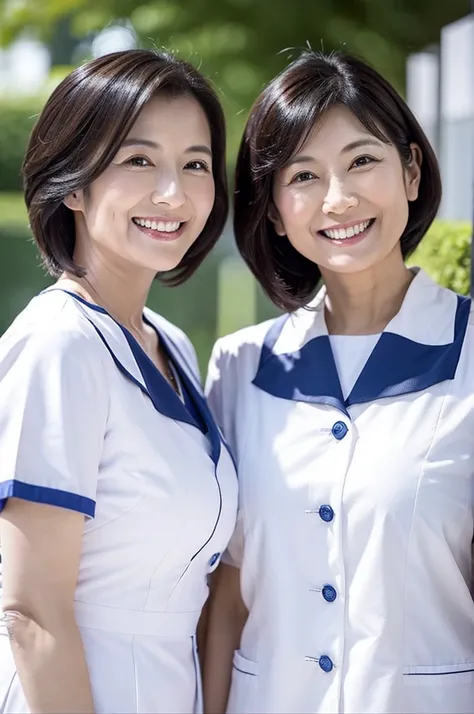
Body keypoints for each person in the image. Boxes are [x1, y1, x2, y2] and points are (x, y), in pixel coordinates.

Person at [203, 50, 474, 714]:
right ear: (272, 210)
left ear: (410, 171)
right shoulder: (240, 369)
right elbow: (228, 596)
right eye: (303, 175)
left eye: (362, 161)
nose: (338, 199)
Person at [0, 48, 237, 714]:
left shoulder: (175, 347)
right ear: (72, 184)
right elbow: (31, 612)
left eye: (195, 163)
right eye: (139, 160)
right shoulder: (59, 345)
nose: (174, 192)